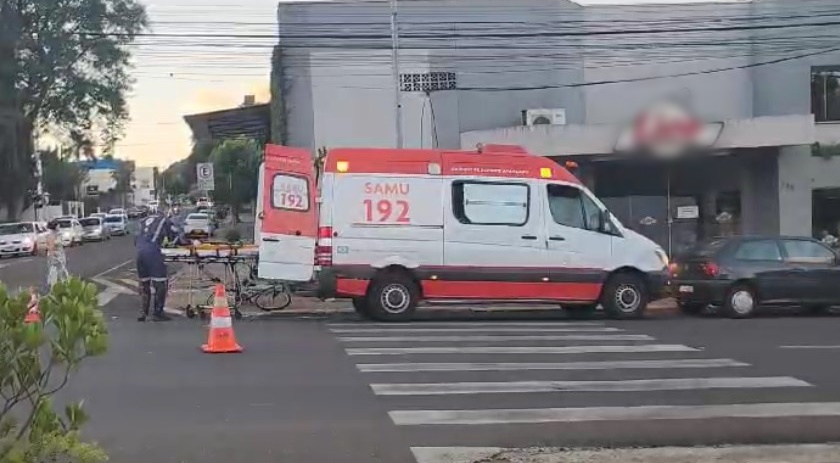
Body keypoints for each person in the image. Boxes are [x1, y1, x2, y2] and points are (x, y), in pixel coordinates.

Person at [136, 210, 187, 322]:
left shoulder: (143, 221)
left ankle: (143, 313)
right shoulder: (165, 220)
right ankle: (158, 313)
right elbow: (175, 237)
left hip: (139, 253)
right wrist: (187, 243)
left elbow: (136, 239)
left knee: (145, 284)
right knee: (160, 283)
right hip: (153, 252)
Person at [45, 221, 70, 289]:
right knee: (54, 272)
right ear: (55, 227)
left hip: (60, 255)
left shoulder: (58, 235)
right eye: (58, 225)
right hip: (55, 257)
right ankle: (53, 287)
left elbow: (62, 244)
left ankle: (62, 285)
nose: (59, 227)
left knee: (61, 271)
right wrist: (52, 257)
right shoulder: (51, 236)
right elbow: (50, 248)